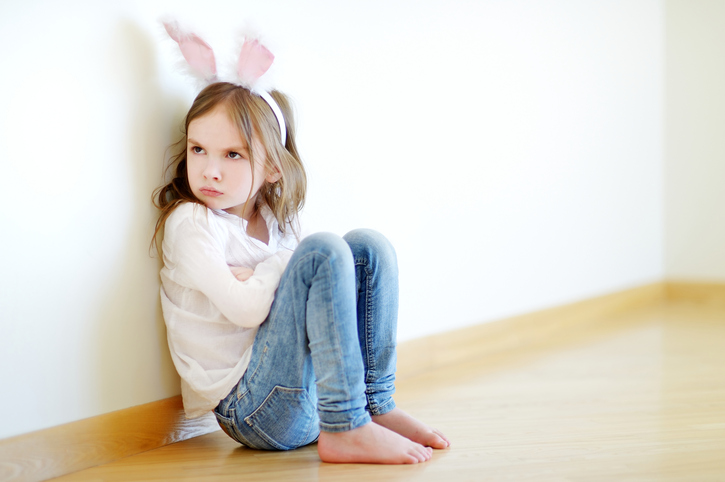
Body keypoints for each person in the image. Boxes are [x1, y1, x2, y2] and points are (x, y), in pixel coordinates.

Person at [153, 24, 449, 465]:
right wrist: (277, 268)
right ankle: (347, 427)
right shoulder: (192, 223)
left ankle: (374, 406)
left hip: (304, 400)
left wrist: (265, 271)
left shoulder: (274, 220)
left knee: (367, 249)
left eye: (232, 155)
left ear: (273, 168)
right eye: (198, 150)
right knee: (322, 252)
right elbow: (248, 309)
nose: (210, 170)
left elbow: (308, 285)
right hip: (253, 409)